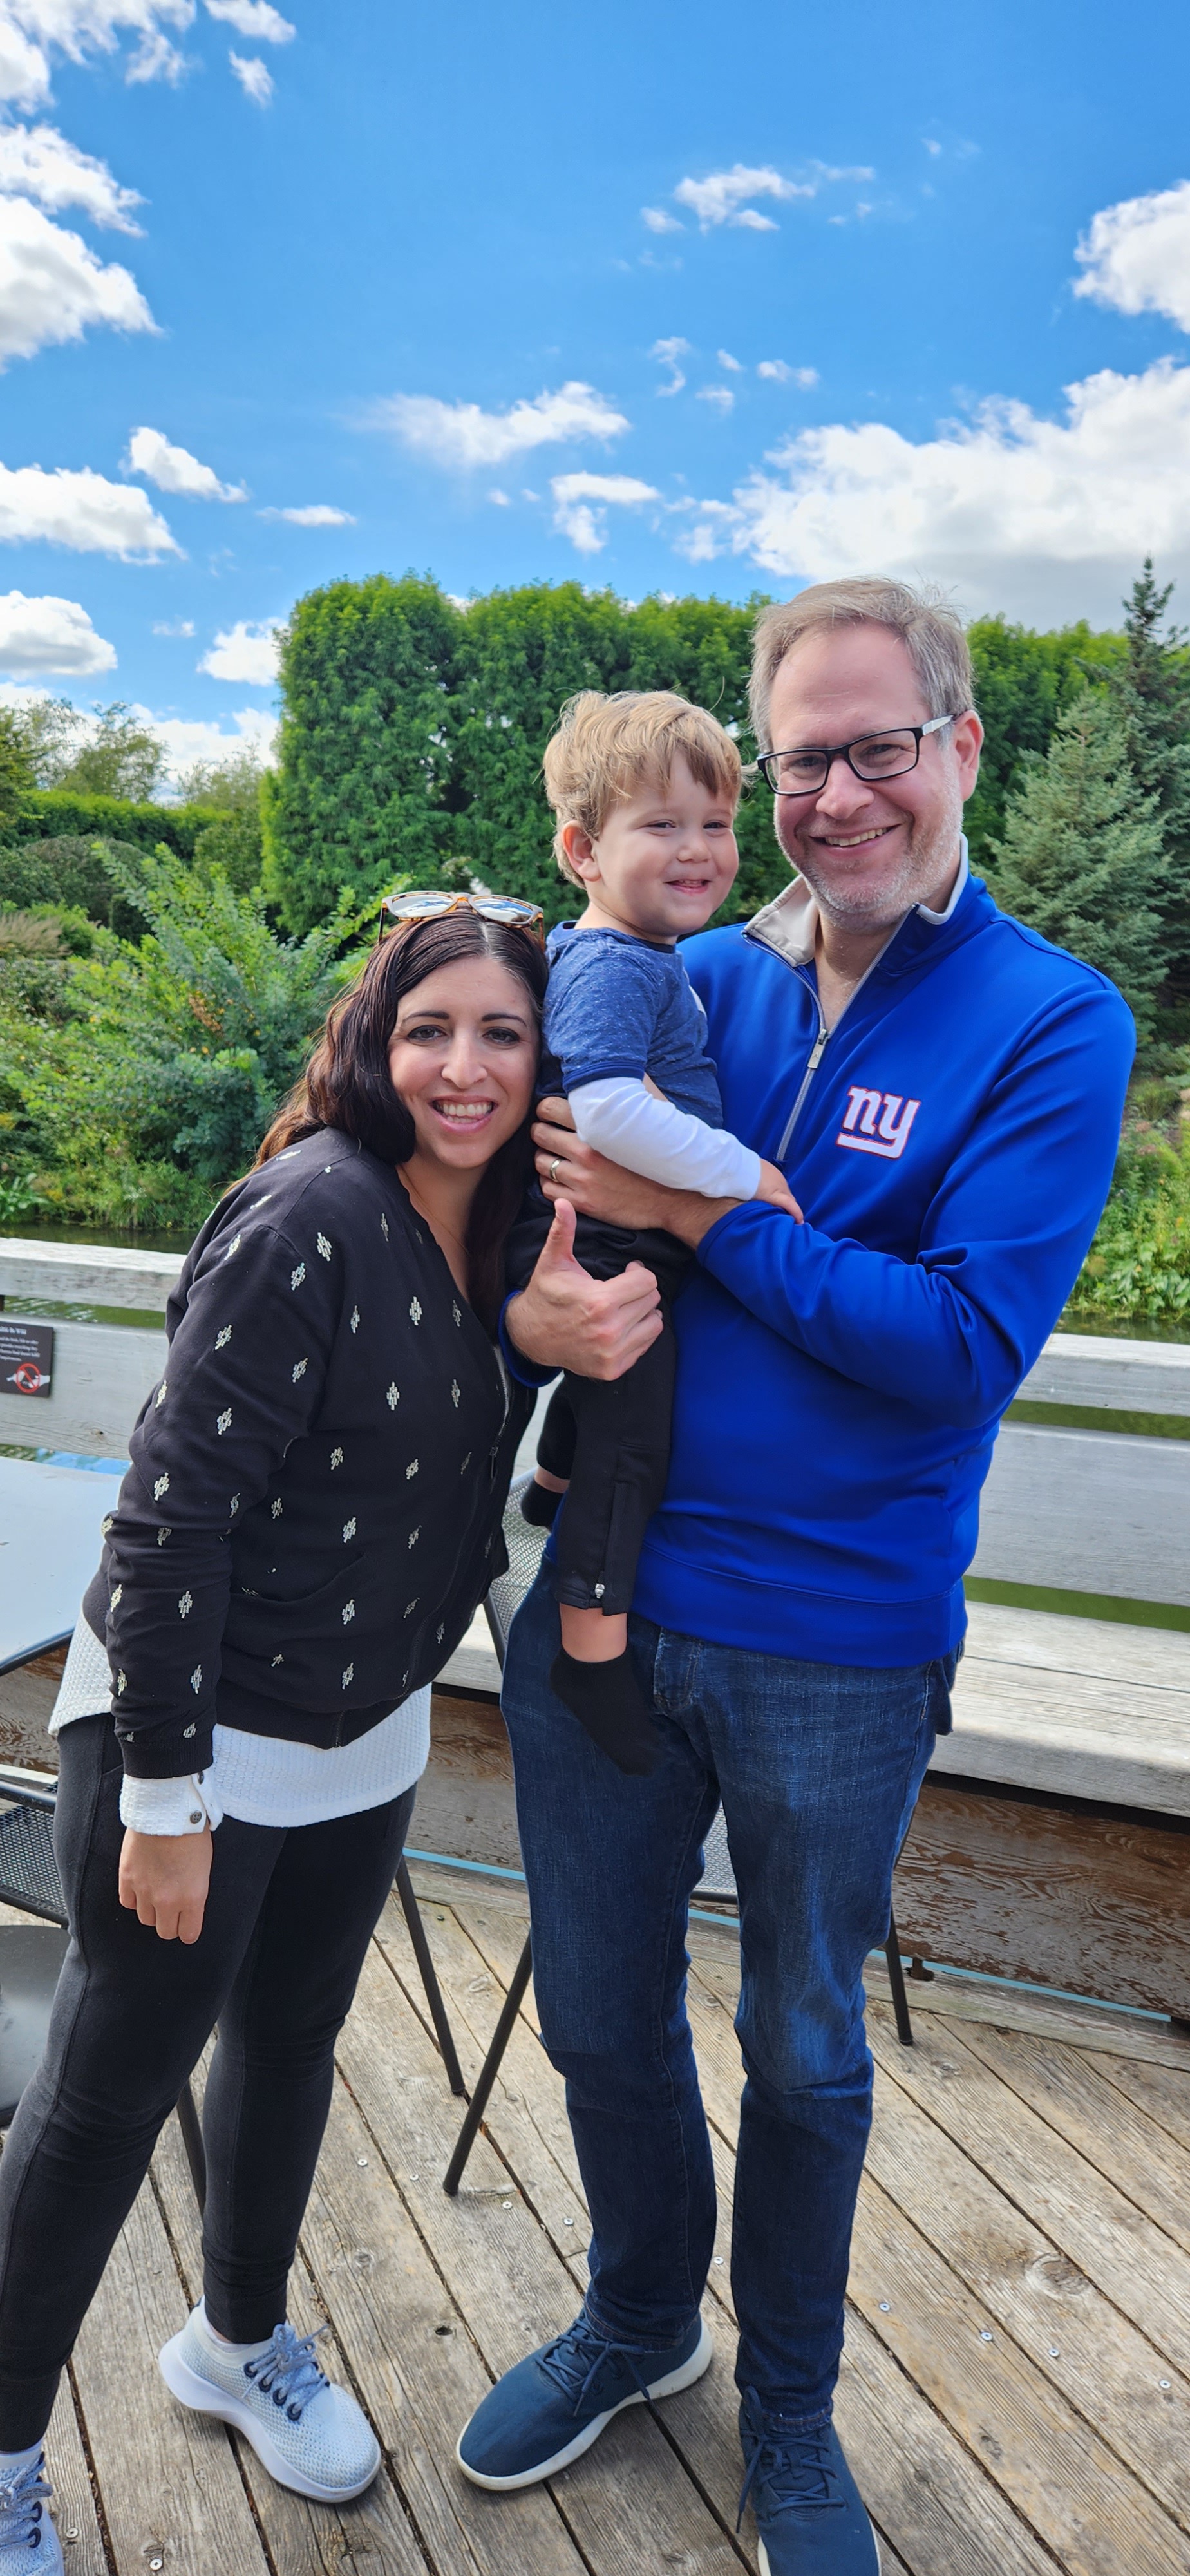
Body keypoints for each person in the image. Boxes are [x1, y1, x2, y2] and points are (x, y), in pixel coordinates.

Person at [455, 580, 1135, 2575]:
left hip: (835, 1641)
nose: (839, 796)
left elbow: (954, 1344)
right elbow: (555, 1221)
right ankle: (643, 2318)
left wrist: (710, 1216)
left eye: (880, 747)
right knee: (592, 2013)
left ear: (960, 750)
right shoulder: (701, 983)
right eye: (804, 758)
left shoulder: (1050, 1020)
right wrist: (545, 1308)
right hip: (603, 1600)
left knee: (807, 2044)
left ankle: (795, 2410)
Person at [0, 896, 545, 2572]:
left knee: (290, 2050)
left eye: (503, 1034)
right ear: (376, 1039)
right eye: (429, 1026)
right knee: (103, 2101)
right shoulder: (307, 1217)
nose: (463, 1065)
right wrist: (165, 1800)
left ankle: (232, 2343)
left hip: (368, 1736)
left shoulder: (514, 1230)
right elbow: (168, 1529)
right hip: (196, 1744)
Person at [507, 689, 798, 1775]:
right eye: (662, 825)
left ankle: (550, 1487)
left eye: (716, 824)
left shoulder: (641, 955)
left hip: (610, 1241)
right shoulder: (618, 964)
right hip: (605, 1252)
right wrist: (745, 1176)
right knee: (639, 1440)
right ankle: (591, 1648)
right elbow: (609, 1108)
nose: (701, 850)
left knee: (607, 1415)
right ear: (583, 850)